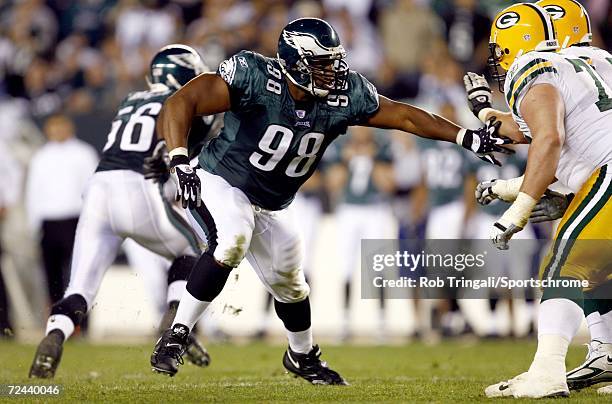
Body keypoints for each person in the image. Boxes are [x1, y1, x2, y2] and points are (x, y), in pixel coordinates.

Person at [150, 17, 511, 385]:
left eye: (333, 60)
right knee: (232, 238)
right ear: (294, 61)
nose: (332, 71)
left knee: (292, 283)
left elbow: (405, 116)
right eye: (321, 63)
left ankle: (302, 355)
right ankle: (178, 333)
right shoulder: (255, 75)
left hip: (269, 202)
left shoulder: (344, 94)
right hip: (219, 179)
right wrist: (179, 159)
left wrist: (465, 136)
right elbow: (183, 101)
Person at [28, 44, 215, 379]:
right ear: (186, 74)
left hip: (99, 188)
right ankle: (175, 323)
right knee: (193, 249)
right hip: (137, 187)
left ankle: (53, 336)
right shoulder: (182, 102)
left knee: (79, 289)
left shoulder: (131, 100)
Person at [461, 3, 612, 398]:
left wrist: (520, 206)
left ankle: (546, 372)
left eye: (499, 49)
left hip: (609, 172)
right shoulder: (596, 62)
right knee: (598, 265)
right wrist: (482, 109)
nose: (496, 58)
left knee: (564, 268)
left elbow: (548, 138)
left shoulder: (535, 68)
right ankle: (607, 354)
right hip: (603, 171)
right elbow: (546, 130)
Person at [25, 114, 98, 305]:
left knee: (79, 274)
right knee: (52, 275)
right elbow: (33, 192)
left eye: (60, 126)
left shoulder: (84, 153)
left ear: (69, 128)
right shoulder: (40, 157)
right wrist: (34, 226)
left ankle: (81, 320)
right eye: (53, 127)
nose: (56, 131)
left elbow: (93, 187)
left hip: (76, 220)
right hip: (48, 222)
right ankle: (57, 318)